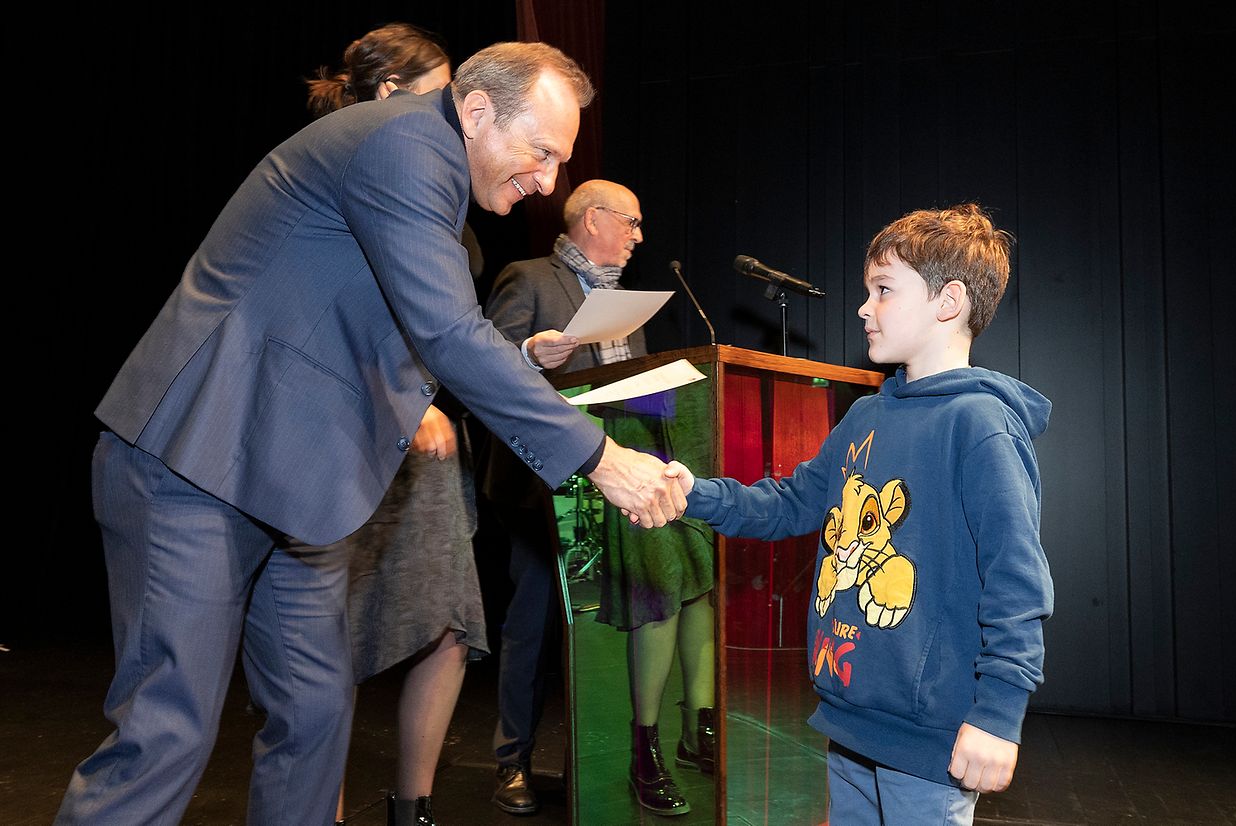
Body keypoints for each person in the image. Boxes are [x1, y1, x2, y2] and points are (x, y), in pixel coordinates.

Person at [58, 41, 687, 826]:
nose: (547, 181)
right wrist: (600, 459)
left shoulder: (436, 187)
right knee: (168, 728)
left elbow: (406, 338)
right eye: (541, 152)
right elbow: (451, 335)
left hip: (298, 492)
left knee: (316, 721)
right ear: (479, 111)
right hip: (197, 461)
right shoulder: (404, 145)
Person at [667, 204, 1054, 825]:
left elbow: (1017, 582)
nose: (863, 308)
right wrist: (694, 493)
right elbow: (792, 503)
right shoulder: (864, 418)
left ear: (947, 302)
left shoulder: (981, 426)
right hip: (848, 721)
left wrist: (999, 715)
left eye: (883, 290)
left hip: (929, 745)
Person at [481, 180, 715, 817]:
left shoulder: (626, 302)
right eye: (632, 223)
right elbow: (482, 367)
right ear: (592, 220)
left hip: (610, 485)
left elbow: (625, 387)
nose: (639, 237)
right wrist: (532, 353)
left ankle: (619, 751)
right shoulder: (528, 277)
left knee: (619, 621)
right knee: (533, 623)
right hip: (539, 485)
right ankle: (513, 763)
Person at [305, 24, 483, 826]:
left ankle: (411, 809)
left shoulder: (440, 180)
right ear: (389, 95)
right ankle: (322, 809)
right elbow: (332, 312)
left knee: (447, 622)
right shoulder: (345, 169)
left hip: (429, 456)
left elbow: (444, 321)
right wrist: (400, 401)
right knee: (323, 638)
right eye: (439, 93)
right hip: (348, 439)